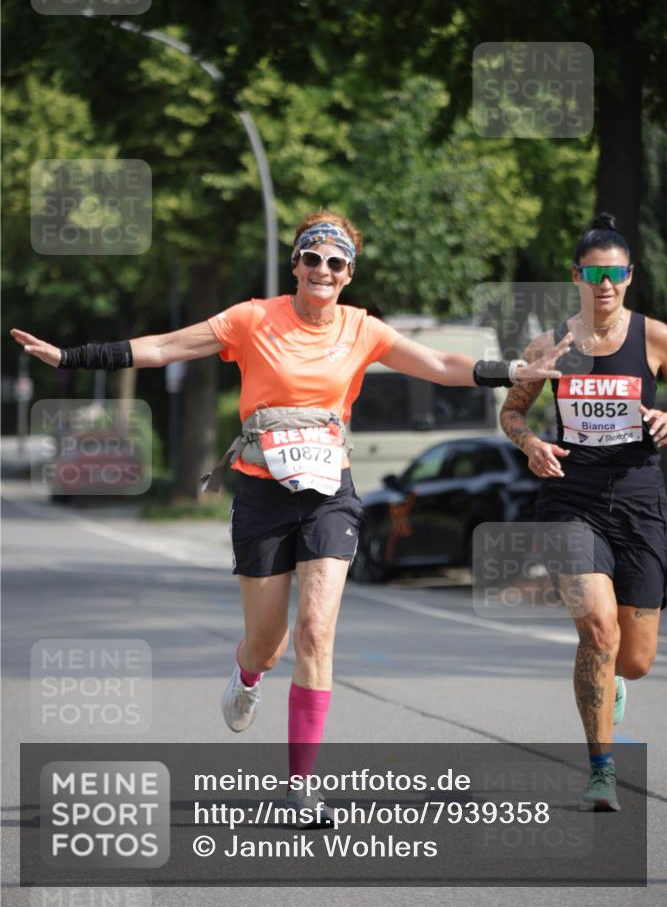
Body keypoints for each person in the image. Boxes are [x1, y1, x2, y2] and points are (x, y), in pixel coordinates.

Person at [12, 209, 569, 827]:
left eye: (335, 263)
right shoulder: (252, 320)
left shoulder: (363, 330)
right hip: (261, 493)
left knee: (316, 633)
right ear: (297, 264)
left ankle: (300, 786)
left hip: (330, 492)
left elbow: (439, 364)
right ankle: (247, 674)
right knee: (269, 642)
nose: (322, 271)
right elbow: (168, 346)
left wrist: (512, 371)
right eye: (312, 259)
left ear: (348, 274)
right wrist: (73, 353)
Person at [500, 212, 667, 812]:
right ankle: (601, 767)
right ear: (577, 276)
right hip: (571, 499)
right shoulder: (551, 345)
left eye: (615, 273)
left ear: (629, 276)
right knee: (597, 627)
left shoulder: (655, 338)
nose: (604, 284)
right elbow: (513, 411)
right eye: (593, 273)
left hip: (640, 498)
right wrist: (530, 442)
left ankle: (614, 679)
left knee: (637, 657)